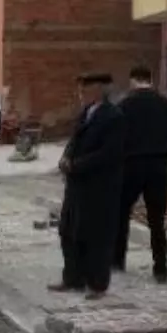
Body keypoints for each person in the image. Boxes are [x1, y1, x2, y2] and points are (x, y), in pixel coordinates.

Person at [52, 73, 125, 301]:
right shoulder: (85, 113)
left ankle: (97, 284)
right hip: (77, 185)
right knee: (69, 230)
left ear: (100, 90)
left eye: (87, 90)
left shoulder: (114, 116)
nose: (82, 95)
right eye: (80, 90)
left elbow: (109, 153)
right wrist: (65, 159)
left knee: (97, 236)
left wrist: (76, 165)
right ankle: (73, 278)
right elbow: (75, 142)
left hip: (99, 186)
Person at [113, 65, 167, 283]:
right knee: (156, 220)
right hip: (158, 165)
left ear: (133, 81)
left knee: (121, 214)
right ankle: (160, 268)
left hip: (131, 165)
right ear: (151, 80)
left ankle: (117, 260)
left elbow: (119, 138)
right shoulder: (166, 105)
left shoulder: (125, 105)